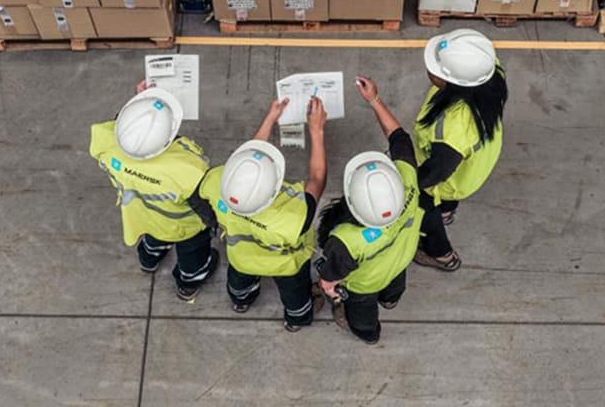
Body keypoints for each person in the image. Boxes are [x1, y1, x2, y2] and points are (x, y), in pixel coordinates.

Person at [190, 96, 329, 331]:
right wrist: (317, 131)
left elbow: (243, 169)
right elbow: (317, 178)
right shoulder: (293, 217)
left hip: (241, 257)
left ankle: (241, 301)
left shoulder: (216, 183)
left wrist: (270, 118)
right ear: (274, 190)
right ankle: (296, 319)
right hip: (286, 266)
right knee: (295, 294)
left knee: (239, 281)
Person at [315, 78, 425, 344]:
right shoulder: (409, 182)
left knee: (361, 311)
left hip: (366, 285)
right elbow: (399, 138)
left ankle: (368, 332)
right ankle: (390, 299)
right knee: (394, 283)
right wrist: (374, 99)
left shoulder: (345, 240)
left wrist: (327, 288)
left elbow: (330, 280)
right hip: (401, 258)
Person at [88, 84, 217, 302]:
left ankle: (148, 261)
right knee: (193, 257)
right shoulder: (186, 170)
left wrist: (141, 104)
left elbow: (125, 129)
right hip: (184, 228)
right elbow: (205, 207)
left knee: (152, 240)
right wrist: (214, 224)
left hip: (142, 217)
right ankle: (188, 285)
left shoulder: (105, 142)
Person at [408, 28, 507, 271]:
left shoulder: (453, 128)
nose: (429, 70)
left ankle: (441, 253)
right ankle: (446, 212)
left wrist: (405, 181)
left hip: (449, 181)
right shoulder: (487, 70)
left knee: (424, 204)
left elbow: (435, 174)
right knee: (446, 201)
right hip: (474, 166)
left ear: (450, 82)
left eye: (435, 69)